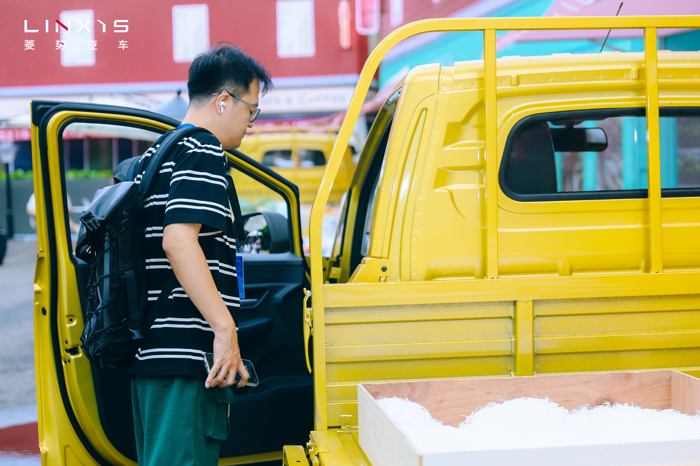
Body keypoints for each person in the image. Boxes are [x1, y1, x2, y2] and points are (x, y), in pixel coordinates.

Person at [128, 43, 272, 466]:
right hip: (185, 358)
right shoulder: (203, 150)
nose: (252, 122)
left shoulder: (156, 155)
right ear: (224, 101)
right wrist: (225, 331)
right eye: (252, 110)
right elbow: (178, 240)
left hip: (154, 354)